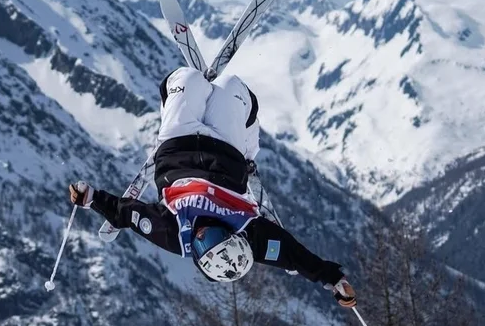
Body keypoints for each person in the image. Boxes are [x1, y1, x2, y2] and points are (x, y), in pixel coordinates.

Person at [68, 67, 356, 308]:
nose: (203, 235)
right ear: (231, 236)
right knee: (235, 88)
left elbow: (127, 214)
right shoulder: (250, 236)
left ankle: (191, 92)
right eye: (215, 237)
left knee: (184, 79)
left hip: (177, 144)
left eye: (201, 245)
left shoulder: (174, 235)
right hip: (226, 149)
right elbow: (294, 256)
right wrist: (333, 280)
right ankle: (247, 146)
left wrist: (91, 198)